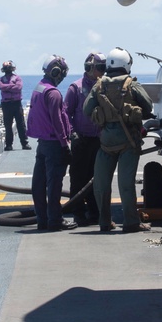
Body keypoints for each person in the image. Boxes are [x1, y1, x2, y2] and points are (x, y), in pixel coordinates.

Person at [83, 47, 154, 233]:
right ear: (126, 64)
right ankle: (131, 222)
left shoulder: (99, 86)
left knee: (101, 185)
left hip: (106, 143)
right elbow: (147, 107)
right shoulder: (131, 84)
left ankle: (105, 222)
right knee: (126, 184)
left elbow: (86, 109)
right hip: (129, 142)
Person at [26, 55, 77, 231]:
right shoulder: (54, 93)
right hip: (54, 144)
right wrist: (65, 146)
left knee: (38, 184)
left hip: (42, 144)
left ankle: (42, 219)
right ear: (56, 72)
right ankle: (55, 220)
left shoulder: (39, 88)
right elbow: (57, 121)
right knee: (54, 185)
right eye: (62, 73)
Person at [64, 52, 106, 226]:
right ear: (90, 68)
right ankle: (78, 212)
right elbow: (66, 113)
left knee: (96, 178)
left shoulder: (104, 86)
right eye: (101, 68)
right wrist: (73, 133)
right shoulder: (76, 88)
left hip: (98, 140)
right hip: (81, 140)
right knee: (78, 178)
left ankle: (94, 211)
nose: (103, 71)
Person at [0, 60, 31, 150]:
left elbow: (18, 87)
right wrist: (12, 86)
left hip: (16, 103)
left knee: (21, 124)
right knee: (8, 125)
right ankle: (8, 145)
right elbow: (1, 87)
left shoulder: (17, 78)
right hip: (6, 104)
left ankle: (24, 143)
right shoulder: (1, 79)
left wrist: (7, 87)